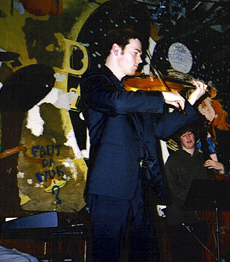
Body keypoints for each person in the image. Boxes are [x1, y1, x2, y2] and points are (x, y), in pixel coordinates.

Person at [79, 28, 207, 262]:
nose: (141, 60)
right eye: (136, 53)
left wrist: (190, 102)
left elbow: (160, 131)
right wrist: (162, 97)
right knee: (109, 255)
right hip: (110, 187)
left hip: (141, 186)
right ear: (116, 50)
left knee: (146, 255)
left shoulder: (135, 94)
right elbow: (116, 104)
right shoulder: (94, 81)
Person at [164, 124, 224, 262]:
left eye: (190, 134)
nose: (188, 137)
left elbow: (218, 183)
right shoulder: (173, 160)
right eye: (184, 135)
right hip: (181, 219)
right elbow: (172, 189)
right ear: (180, 140)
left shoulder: (204, 157)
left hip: (203, 218)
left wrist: (221, 167)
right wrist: (195, 199)